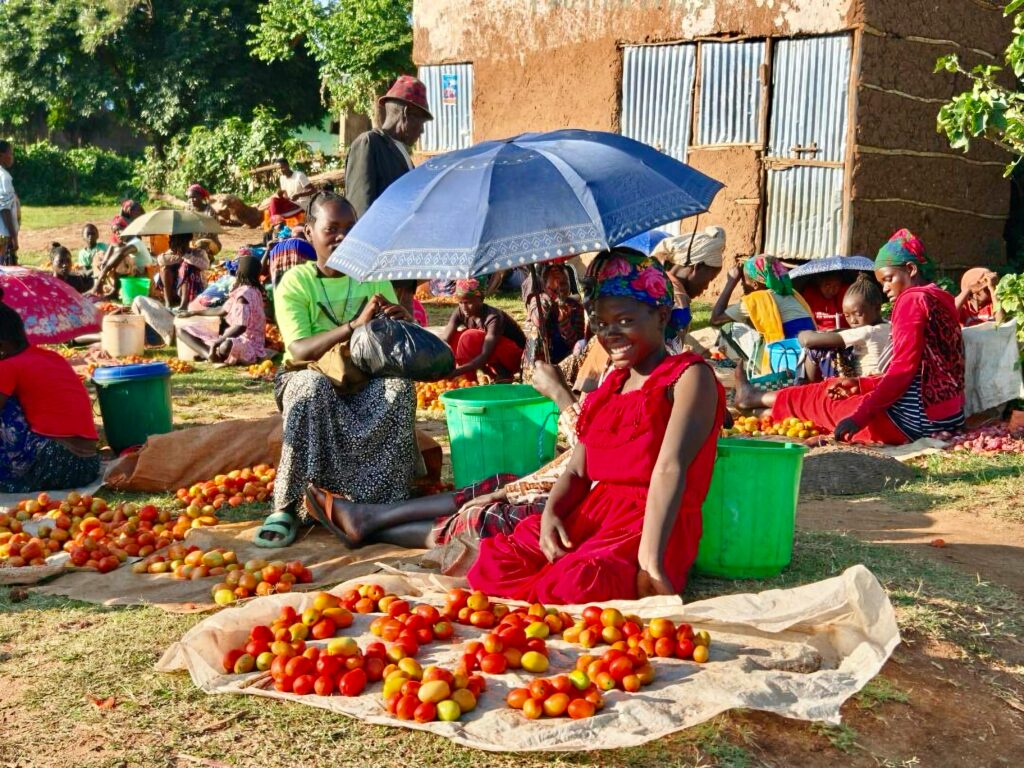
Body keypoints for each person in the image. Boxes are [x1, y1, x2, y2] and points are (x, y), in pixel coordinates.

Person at [470, 249, 725, 602]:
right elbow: (577, 471)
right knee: (498, 560)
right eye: (601, 324)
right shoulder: (611, 386)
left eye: (624, 321)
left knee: (579, 581)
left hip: (650, 525)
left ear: (662, 314)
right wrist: (552, 515)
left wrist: (649, 561)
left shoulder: (687, 377)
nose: (610, 334)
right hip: (594, 515)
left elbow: (669, 469)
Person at [253, 191, 417, 548]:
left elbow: (389, 344)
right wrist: (353, 326)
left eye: (350, 228)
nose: (343, 236)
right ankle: (290, 504)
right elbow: (298, 350)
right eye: (332, 228)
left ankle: (382, 500)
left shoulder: (371, 276)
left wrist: (402, 323)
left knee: (399, 389)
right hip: (306, 374)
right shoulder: (297, 282)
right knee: (312, 388)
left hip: (362, 377)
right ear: (310, 231)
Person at [748, 230, 965, 445]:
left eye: (889, 279)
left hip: (912, 422)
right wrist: (862, 384)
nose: (886, 289)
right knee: (834, 387)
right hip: (949, 416)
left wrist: (859, 417)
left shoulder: (912, 300)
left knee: (823, 401)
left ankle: (756, 403)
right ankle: (756, 403)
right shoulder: (942, 298)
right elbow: (922, 372)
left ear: (910, 269)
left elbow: (902, 372)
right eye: (882, 284)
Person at [736, 274, 892, 406]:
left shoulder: (867, 331)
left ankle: (803, 393)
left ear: (877, 308)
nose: (853, 321)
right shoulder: (888, 325)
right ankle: (799, 394)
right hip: (872, 386)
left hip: (863, 391)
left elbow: (808, 340)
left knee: (816, 350)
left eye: (858, 314)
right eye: (847, 316)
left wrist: (803, 334)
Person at [0, 301, 99, 492]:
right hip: (87, 465)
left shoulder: (7, 367)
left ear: (2, 346)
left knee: (7, 405)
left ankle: (11, 476)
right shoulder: (51, 356)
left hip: (55, 462)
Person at [710, 254, 815, 372]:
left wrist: (731, 282)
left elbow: (715, 318)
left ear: (755, 285)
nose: (742, 285)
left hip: (782, 360)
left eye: (743, 281)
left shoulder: (757, 299)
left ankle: (726, 375)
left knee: (729, 329)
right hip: (808, 359)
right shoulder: (792, 294)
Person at [345, 75, 432, 217]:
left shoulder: (401, 150)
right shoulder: (369, 143)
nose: (422, 130)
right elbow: (359, 208)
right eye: (421, 122)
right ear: (405, 113)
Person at [177, 255, 267, 364]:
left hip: (250, 346)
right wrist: (193, 313)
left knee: (226, 345)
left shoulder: (244, 296)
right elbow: (221, 310)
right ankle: (210, 355)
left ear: (240, 272)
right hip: (238, 339)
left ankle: (213, 354)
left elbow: (240, 327)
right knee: (182, 330)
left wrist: (217, 342)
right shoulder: (251, 291)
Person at [441, 278, 527, 381]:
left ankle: (503, 374)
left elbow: (484, 355)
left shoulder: (493, 317)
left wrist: (456, 372)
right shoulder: (460, 312)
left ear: (481, 299)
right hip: (490, 356)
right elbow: (444, 340)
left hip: (515, 359)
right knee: (455, 338)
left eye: (468, 302)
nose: (464, 308)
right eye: (460, 302)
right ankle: (472, 380)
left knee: (468, 337)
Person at [523, 263, 587, 367]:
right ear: (545, 286)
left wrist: (564, 323)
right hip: (541, 363)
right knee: (534, 331)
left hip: (566, 361)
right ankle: (534, 375)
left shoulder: (576, 307)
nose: (560, 288)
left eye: (564, 283)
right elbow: (538, 321)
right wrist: (551, 296)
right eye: (554, 284)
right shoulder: (539, 301)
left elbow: (577, 343)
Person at [90, 216, 153, 298]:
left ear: (127, 228)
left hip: (143, 280)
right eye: (114, 231)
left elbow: (120, 253)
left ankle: (114, 291)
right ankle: (96, 288)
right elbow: (111, 247)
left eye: (119, 229)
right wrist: (104, 262)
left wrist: (103, 274)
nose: (117, 233)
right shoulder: (123, 242)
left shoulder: (135, 242)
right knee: (99, 255)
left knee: (121, 258)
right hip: (130, 278)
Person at [0, 140, 19, 266]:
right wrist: (13, 237)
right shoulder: (3, 176)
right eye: (10, 153)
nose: (12, 157)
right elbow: (5, 209)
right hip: (3, 236)